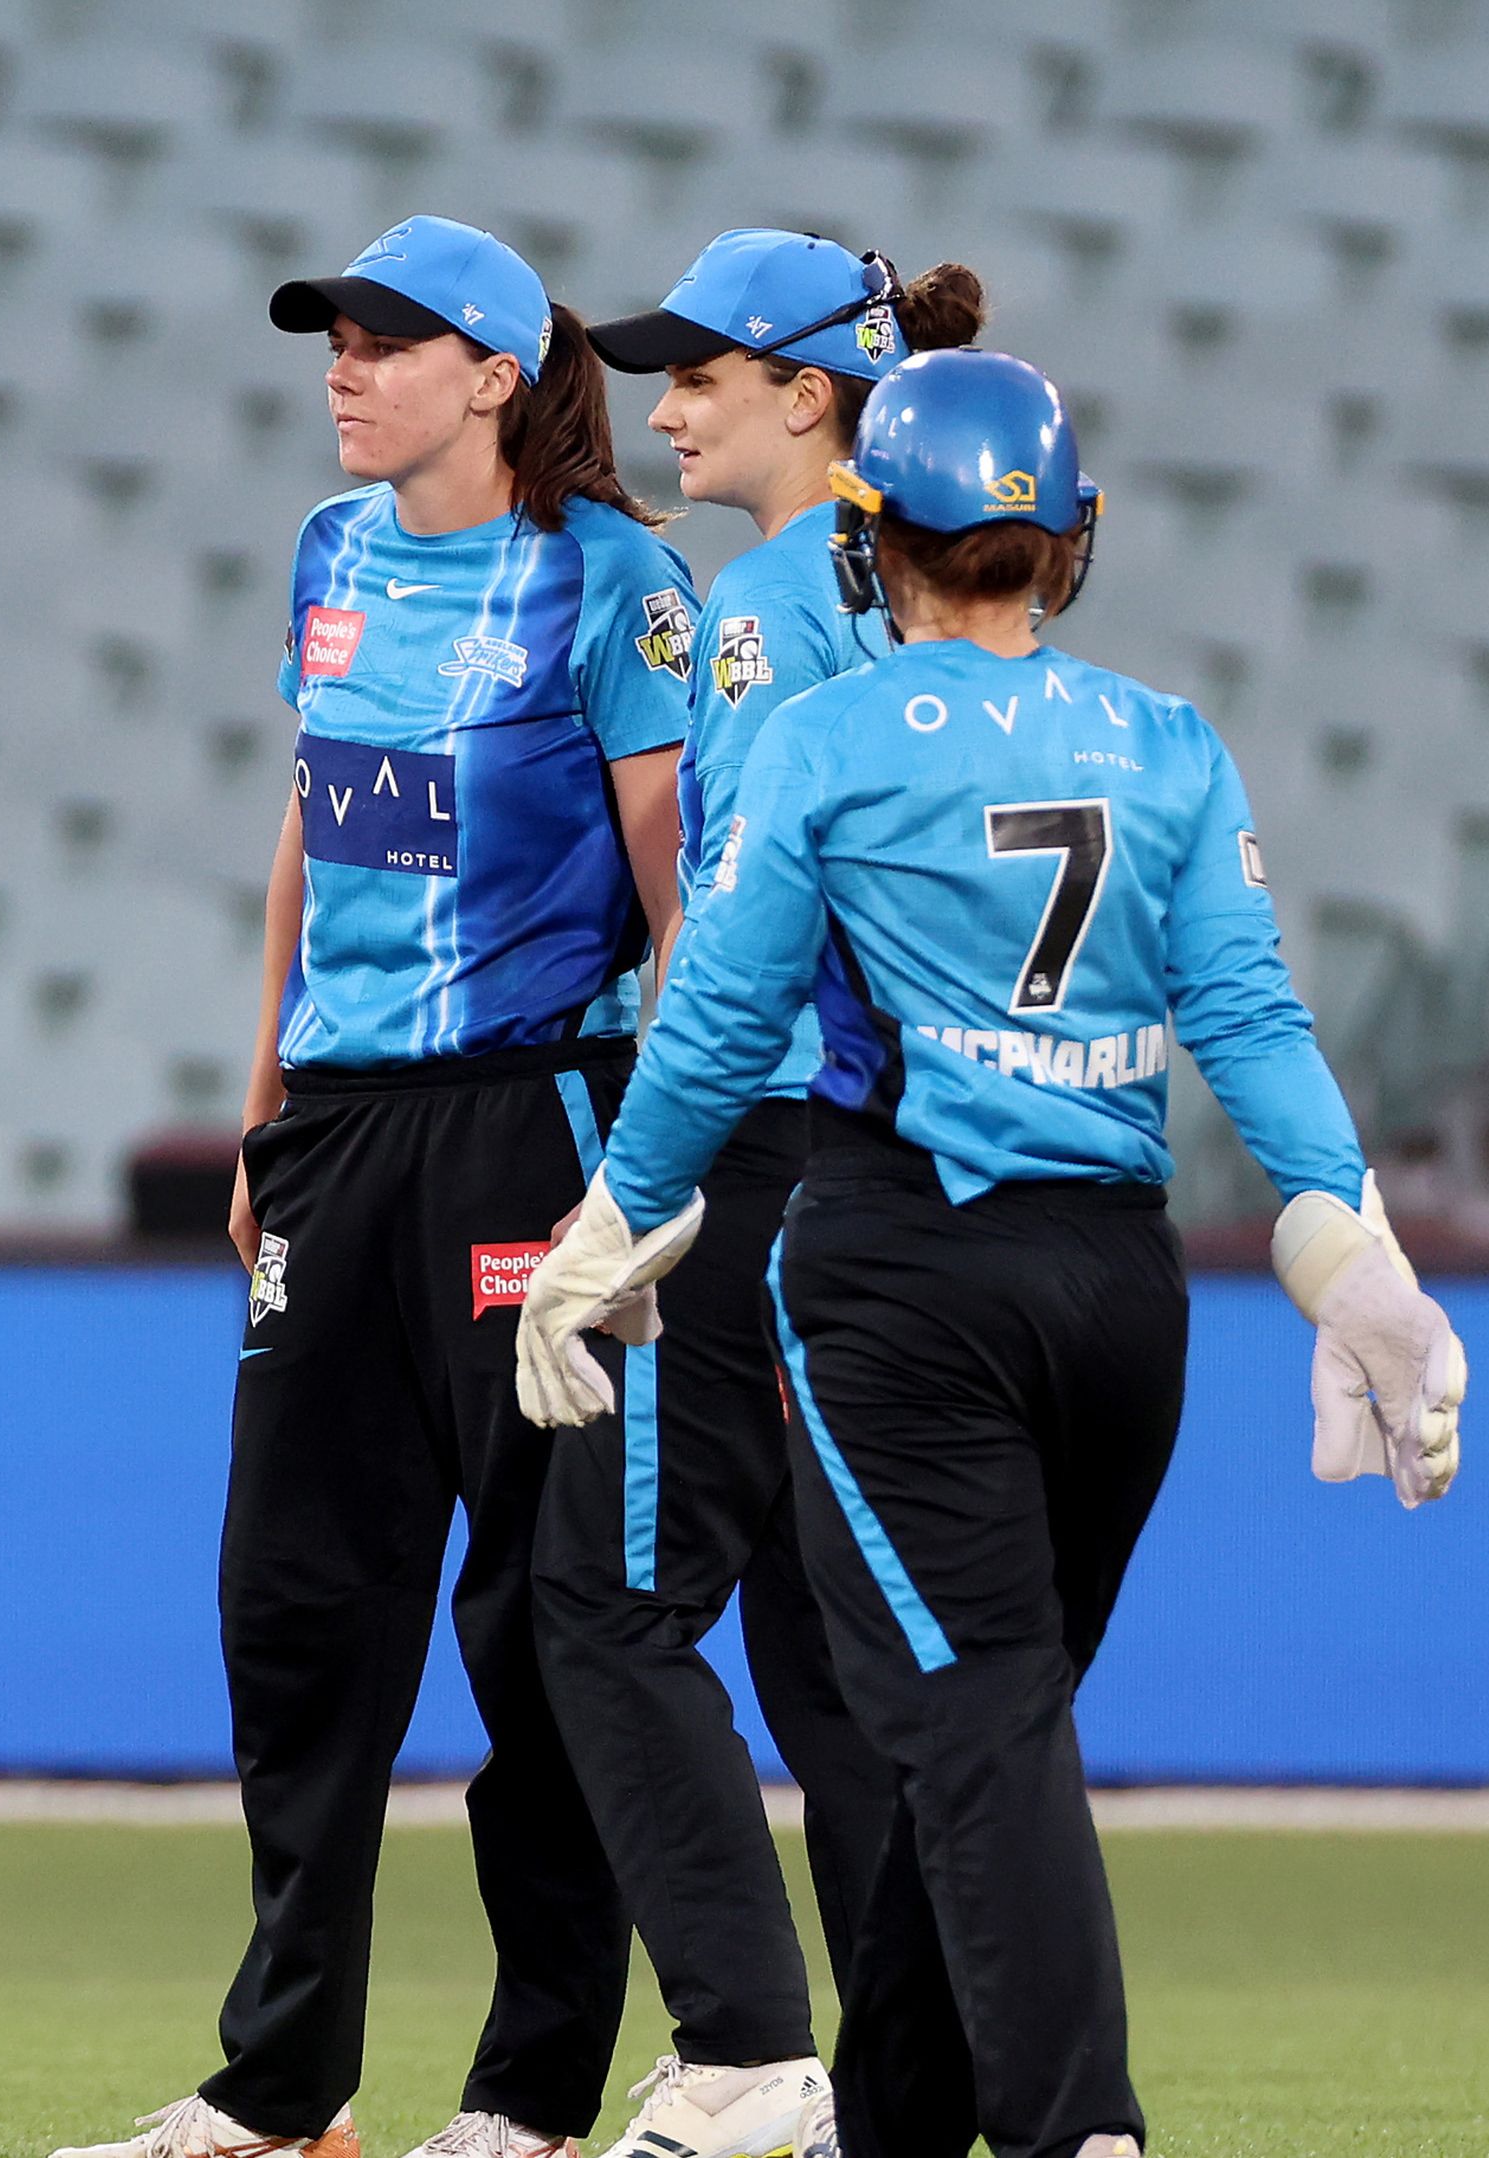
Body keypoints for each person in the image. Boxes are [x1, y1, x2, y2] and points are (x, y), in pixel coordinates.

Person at [514, 347, 1466, 2158]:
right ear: (1069, 537)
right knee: (990, 1726)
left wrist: (612, 1222)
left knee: (980, 1737)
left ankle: (1075, 2131)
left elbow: (717, 1021)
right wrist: (1350, 1243)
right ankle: (897, 2129)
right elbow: (1249, 1019)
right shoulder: (1170, 743)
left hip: (904, 1280)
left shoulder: (829, 738)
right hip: (1123, 1296)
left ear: (870, 539)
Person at [53, 215, 700, 2158]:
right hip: (340, 1135)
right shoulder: (331, 559)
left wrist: (658, 1180)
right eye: (331, 336)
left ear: (495, 375)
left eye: (385, 340)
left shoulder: (612, 582)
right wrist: (263, 1107)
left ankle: (525, 2091)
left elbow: (684, 907)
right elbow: (309, 831)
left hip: (535, 1123)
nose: (341, 365)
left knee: (531, 1621)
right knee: (295, 1604)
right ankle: (280, 2090)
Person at [524, 231, 989, 2158]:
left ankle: (740, 2058)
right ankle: (917, 2086)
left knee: (608, 1602)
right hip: (924, 1164)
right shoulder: (944, 592)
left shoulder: (769, 599)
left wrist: (635, 1191)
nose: (666, 402)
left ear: (815, 391)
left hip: (755, 1141)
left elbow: (734, 919)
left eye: (705, 368)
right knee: (837, 1648)